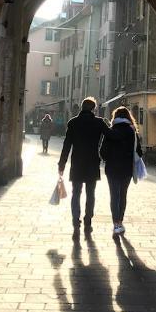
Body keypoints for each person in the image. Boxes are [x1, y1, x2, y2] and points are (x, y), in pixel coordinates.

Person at [58, 98, 108, 235]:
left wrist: (61, 163)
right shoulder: (99, 122)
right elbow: (110, 136)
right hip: (92, 162)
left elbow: (67, 145)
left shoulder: (73, 122)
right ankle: (88, 218)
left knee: (76, 192)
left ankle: (75, 218)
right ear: (94, 109)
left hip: (77, 162)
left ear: (81, 107)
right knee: (90, 193)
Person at [99, 106, 143, 236]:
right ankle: (120, 221)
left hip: (112, 168)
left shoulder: (110, 131)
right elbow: (139, 152)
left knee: (114, 195)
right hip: (126, 168)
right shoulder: (132, 132)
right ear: (128, 117)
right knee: (123, 195)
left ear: (115, 117)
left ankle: (115, 223)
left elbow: (102, 151)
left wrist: (108, 158)